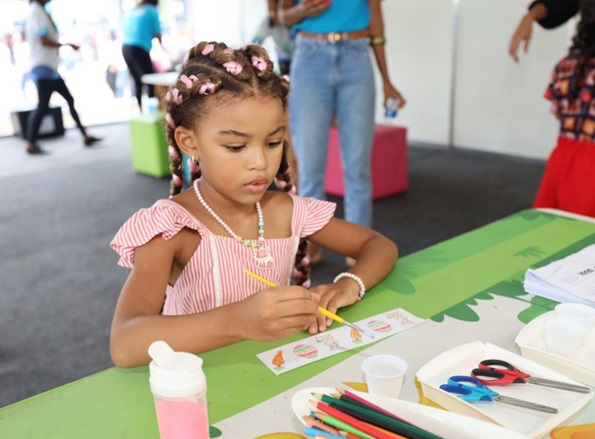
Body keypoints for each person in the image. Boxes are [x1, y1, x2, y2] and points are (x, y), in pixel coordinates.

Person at [109, 41, 398, 368]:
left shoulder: (286, 211)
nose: (260, 162)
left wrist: (349, 283)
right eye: (235, 146)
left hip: (273, 373)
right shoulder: (173, 227)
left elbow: (379, 245)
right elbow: (124, 342)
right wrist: (237, 321)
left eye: (274, 142)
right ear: (190, 143)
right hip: (200, 385)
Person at [274, 0, 405, 265]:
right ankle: (312, 243)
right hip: (309, 57)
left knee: (358, 168)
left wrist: (388, 81)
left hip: (357, 56)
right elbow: (282, 15)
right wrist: (303, 11)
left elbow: (375, 15)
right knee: (310, 169)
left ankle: (359, 249)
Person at [509, 0, 595, 227]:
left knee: (556, 231)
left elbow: (559, 110)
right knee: (592, 237)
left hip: (561, 162)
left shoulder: (567, 66)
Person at [24, 0, 101, 155]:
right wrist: (66, 45)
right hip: (43, 67)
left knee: (67, 100)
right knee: (43, 106)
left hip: (49, 68)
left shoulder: (39, 10)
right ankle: (30, 143)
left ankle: (85, 135)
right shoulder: (36, 11)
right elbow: (43, 39)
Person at [121, 0, 162, 111]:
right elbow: (158, 33)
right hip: (139, 47)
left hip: (125, 47)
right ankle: (152, 111)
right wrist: (162, 48)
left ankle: (140, 110)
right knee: (150, 80)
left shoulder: (133, 10)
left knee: (137, 80)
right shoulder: (152, 11)